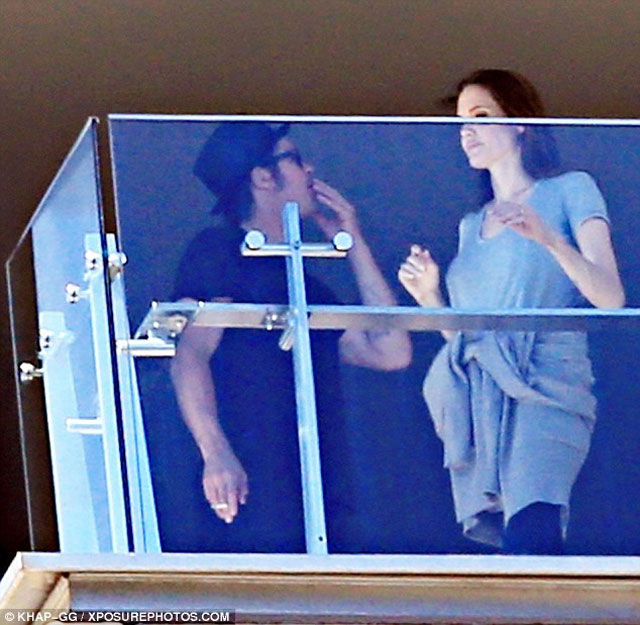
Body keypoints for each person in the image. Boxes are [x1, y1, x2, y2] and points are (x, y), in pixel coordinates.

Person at [398, 69, 624, 554]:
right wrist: (431, 298)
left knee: (534, 517)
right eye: (461, 123)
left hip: (548, 381)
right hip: (484, 396)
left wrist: (549, 238)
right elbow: (470, 341)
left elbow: (611, 297)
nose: (467, 132)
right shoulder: (470, 226)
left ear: (519, 122)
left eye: (481, 116)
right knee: (507, 542)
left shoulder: (570, 190)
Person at [163, 122, 411, 552]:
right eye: (295, 159)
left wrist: (355, 245)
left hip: (319, 489)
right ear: (263, 177)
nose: (309, 168)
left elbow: (390, 352)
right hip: (246, 484)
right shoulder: (220, 251)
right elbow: (191, 354)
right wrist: (215, 452)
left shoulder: (307, 286)